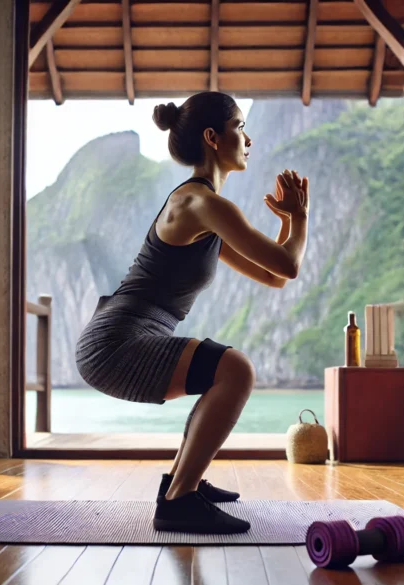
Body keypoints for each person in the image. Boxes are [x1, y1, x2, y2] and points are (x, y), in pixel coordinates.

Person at [75, 91, 311, 534]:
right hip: (115, 342)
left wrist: (286, 224)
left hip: (124, 335)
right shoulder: (201, 204)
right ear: (212, 137)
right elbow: (290, 265)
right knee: (235, 370)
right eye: (239, 126)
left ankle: (184, 484)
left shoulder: (206, 213)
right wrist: (300, 219)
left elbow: (275, 276)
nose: (248, 138)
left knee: (228, 370)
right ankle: (180, 499)